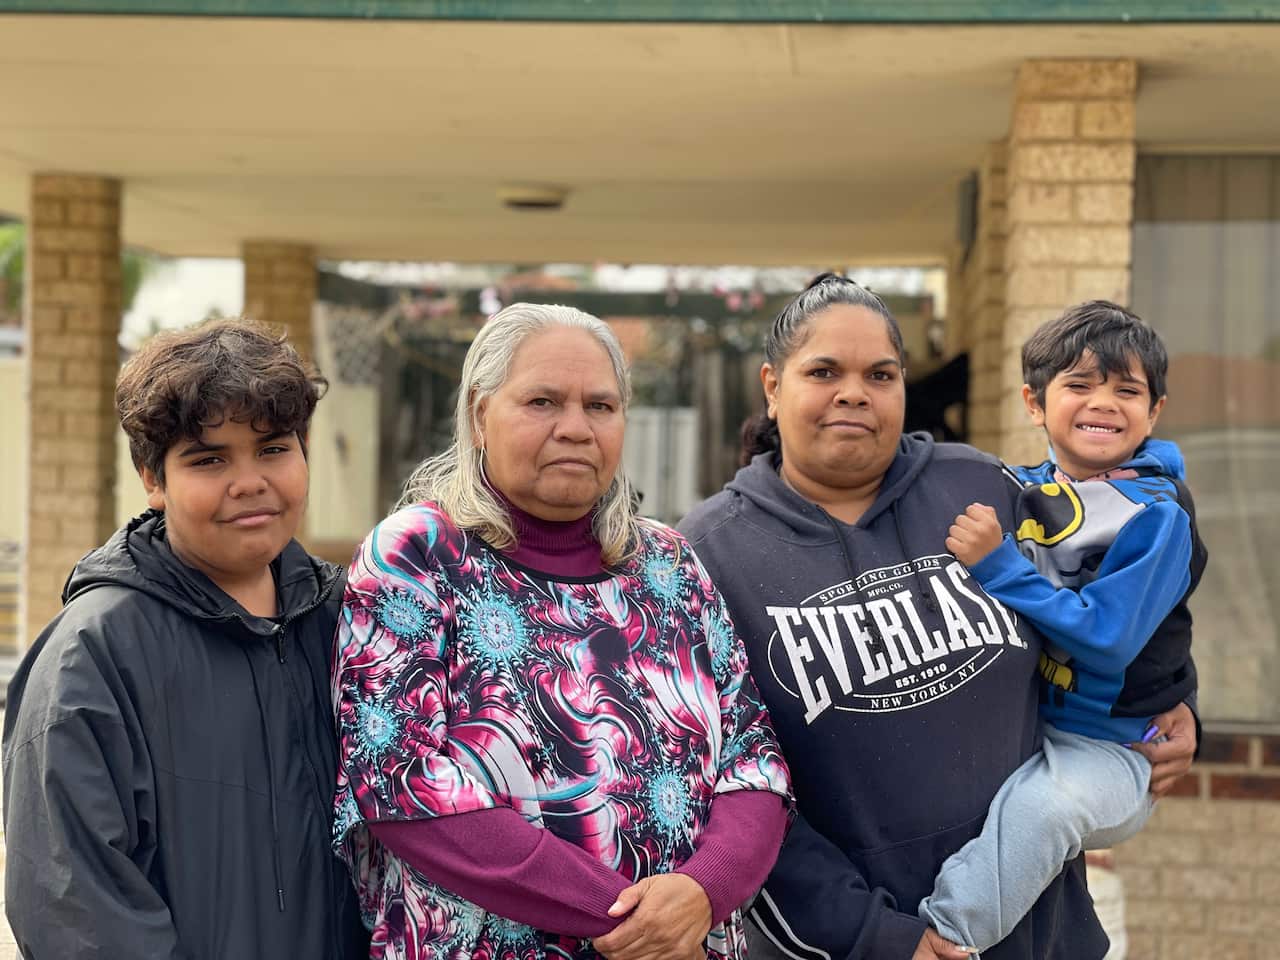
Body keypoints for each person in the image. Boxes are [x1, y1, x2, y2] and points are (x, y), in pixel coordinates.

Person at [677, 275, 1198, 960]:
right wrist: (885, 940)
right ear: (773, 386)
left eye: (880, 373)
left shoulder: (981, 486)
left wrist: (1174, 701)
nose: (854, 392)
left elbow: (1125, 591)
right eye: (824, 371)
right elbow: (723, 785)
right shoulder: (705, 555)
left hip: (1043, 937)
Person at [331, 302, 792, 960]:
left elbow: (756, 764)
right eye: (543, 401)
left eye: (601, 406)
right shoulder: (418, 557)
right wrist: (625, 919)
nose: (576, 428)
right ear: (479, 414)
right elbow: (401, 780)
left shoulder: (668, 564)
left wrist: (700, 893)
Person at [2, 318, 369, 959]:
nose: (249, 481)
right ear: (152, 476)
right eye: (208, 459)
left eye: (274, 448)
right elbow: (75, 910)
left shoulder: (355, 621)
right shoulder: (95, 656)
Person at [917, 302, 1207, 954]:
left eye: (1127, 390)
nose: (1103, 402)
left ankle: (944, 939)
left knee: (1042, 812)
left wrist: (999, 566)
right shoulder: (1023, 487)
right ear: (1033, 402)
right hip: (1031, 727)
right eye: (1079, 384)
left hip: (1115, 750)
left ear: (1154, 410)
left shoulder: (1155, 514)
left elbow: (1109, 638)